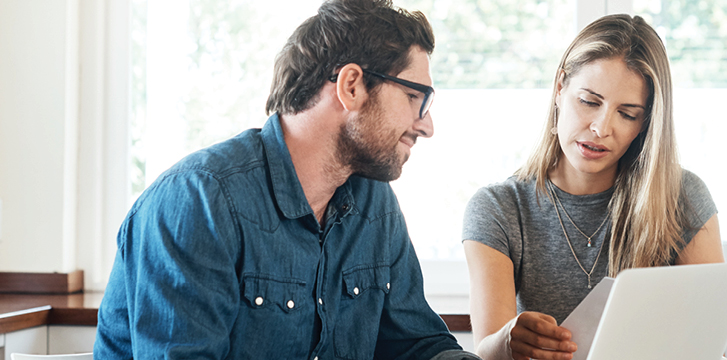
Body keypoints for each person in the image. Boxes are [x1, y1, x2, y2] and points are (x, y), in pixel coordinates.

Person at [94, 0, 479, 359]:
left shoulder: (374, 202)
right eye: (416, 97)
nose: (426, 125)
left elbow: (416, 345)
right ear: (351, 86)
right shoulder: (199, 201)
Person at [462, 14, 727, 360]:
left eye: (627, 113)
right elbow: (485, 351)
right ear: (560, 89)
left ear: (645, 124)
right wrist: (509, 340)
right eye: (589, 101)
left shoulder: (679, 196)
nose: (601, 128)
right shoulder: (499, 208)